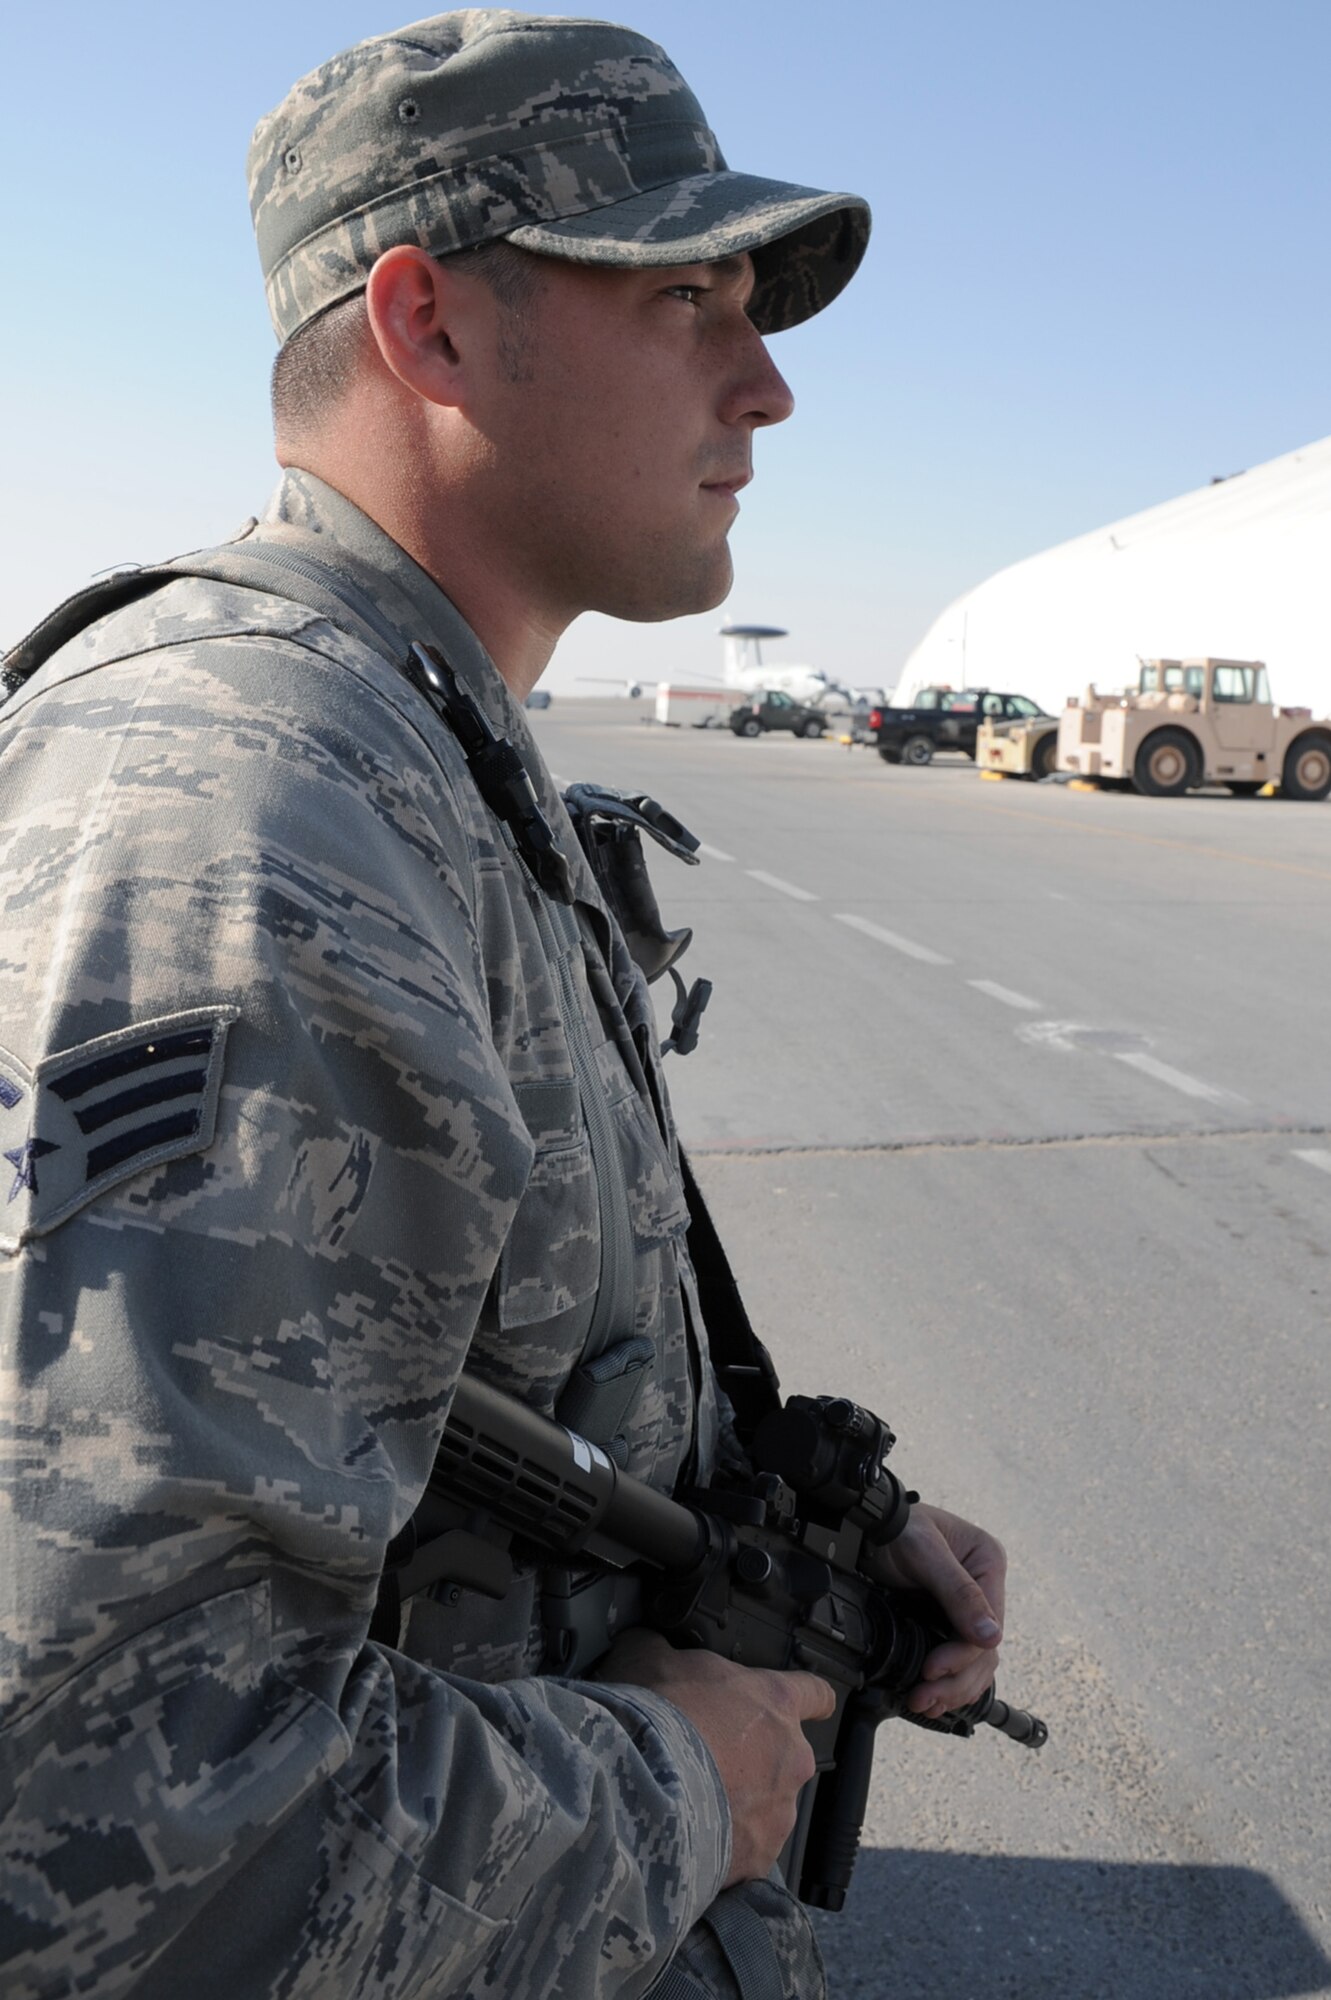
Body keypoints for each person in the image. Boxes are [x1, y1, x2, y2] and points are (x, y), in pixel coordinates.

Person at [0, 14, 1007, 1998]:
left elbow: (493, 1384)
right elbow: (88, 1818)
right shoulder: (259, 816)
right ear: (433, 330)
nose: (771, 383)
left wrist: (820, 1536)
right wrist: (682, 1783)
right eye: (688, 301)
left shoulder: (436, 749)